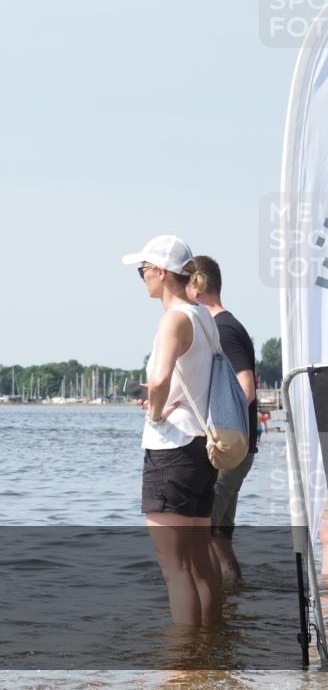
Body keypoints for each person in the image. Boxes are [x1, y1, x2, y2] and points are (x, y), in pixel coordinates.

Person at [122, 235, 222, 626]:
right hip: (201, 448)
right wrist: (161, 397)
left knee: (174, 569)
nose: (142, 277)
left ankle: (182, 666)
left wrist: (156, 413)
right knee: (200, 563)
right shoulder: (203, 318)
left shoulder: (174, 319)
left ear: (161, 273)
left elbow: (161, 376)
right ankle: (212, 647)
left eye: (142, 270)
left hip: (172, 450)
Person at [186, 255, 258, 582]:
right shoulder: (225, 327)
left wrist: (215, 428)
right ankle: (232, 598)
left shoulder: (223, 329)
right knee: (218, 536)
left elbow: (247, 388)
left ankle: (212, 615)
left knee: (201, 535)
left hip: (229, 450)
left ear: (197, 286)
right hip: (237, 449)